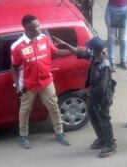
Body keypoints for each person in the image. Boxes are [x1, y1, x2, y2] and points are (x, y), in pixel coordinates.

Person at [11, 14, 71, 149]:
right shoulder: (17, 46)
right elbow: (14, 67)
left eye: (39, 25)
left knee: (53, 106)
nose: (39, 29)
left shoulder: (44, 38)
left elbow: (55, 52)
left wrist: (74, 51)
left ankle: (60, 133)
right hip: (28, 84)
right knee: (25, 109)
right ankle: (23, 136)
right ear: (26, 29)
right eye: (35, 27)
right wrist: (18, 86)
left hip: (46, 81)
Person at [55, 36, 117, 158]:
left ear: (95, 50)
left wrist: (85, 90)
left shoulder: (103, 65)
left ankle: (110, 145)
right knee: (93, 117)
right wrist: (65, 44)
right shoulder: (95, 55)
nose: (88, 50)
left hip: (102, 97)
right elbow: (79, 52)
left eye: (90, 48)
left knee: (104, 120)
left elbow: (101, 87)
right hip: (93, 95)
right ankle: (101, 139)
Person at [105, 0, 127, 72]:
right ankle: (112, 61)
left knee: (123, 38)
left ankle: (123, 60)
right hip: (111, 8)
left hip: (125, 8)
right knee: (111, 38)